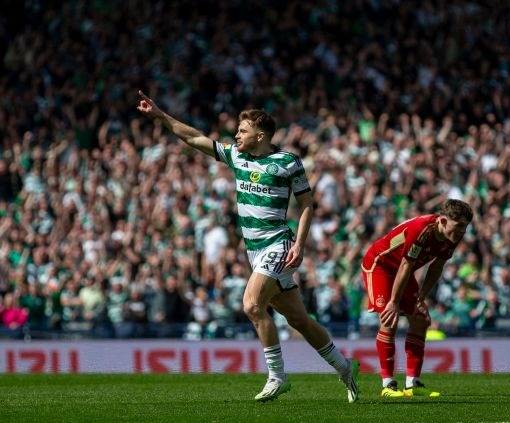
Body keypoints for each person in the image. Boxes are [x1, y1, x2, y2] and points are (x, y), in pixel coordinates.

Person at [137, 91, 359, 402]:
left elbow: (307, 204)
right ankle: (345, 367)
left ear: (261, 134)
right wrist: (160, 115)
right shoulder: (236, 156)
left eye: (243, 130)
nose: (236, 135)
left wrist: (300, 242)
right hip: (254, 252)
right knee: (299, 320)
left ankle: (277, 376)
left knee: (252, 305)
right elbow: (194, 138)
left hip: (278, 244)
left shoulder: (287, 162)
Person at [361, 199, 473, 398]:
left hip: (403, 271)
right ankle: (388, 384)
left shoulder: (452, 236)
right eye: (458, 227)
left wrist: (422, 295)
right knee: (389, 318)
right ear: (443, 221)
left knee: (421, 320)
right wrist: (394, 303)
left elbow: (437, 266)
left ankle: (412, 384)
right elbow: (405, 266)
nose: (461, 232)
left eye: (464, 227)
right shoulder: (422, 230)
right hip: (380, 266)